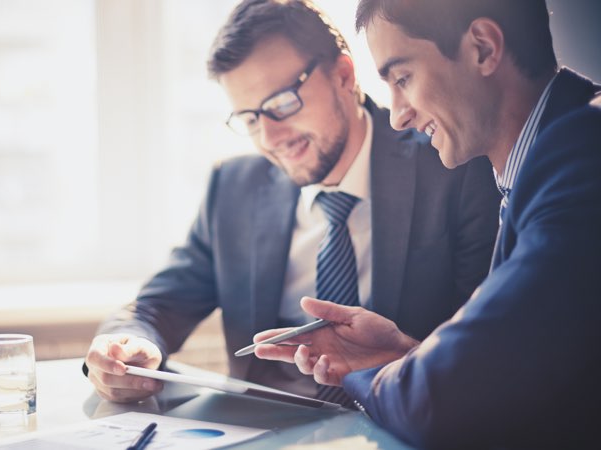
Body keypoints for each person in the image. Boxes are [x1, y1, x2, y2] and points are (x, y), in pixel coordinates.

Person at [83, 0, 499, 405]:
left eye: (282, 103)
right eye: (249, 118)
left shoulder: (452, 167)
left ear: (343, 76)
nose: (269, 137)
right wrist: (125, 346)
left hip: (398, 425)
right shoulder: (233, 188)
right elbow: (157, 306)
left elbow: (485, 355)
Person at [252, 0, 601, 448]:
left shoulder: (582, 158)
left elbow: (440, 401)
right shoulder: (543, 161)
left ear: (482, 48)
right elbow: (520, 374)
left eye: (403, 78)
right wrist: (404, 355)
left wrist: (371, 373)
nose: (398, 115)